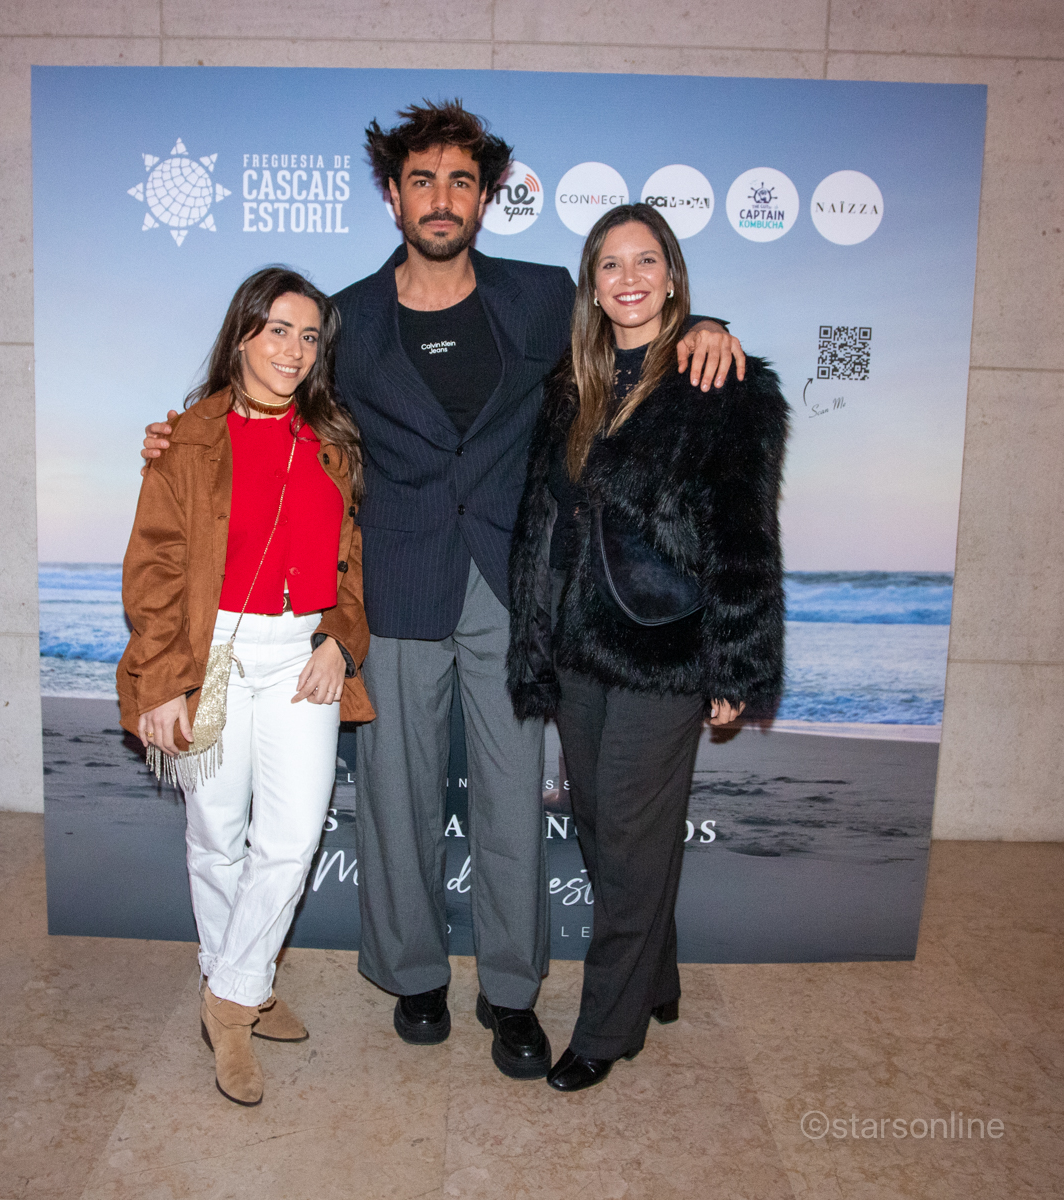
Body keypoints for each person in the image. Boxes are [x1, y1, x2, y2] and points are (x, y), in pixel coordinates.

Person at [141, 100, 745, 1081]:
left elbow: (634, 329)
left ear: (485, 196)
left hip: (511, 586)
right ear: (393, 196)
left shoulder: (542, 297)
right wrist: (182, 435)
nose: (440, 197)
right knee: (396, 800)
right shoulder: (345, 319)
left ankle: (510, 991)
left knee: (510, 802)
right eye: (421, 179)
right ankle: (413, 974)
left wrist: (708, 326)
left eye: (461, 180)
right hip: (394, 586)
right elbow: (273, 401)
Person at [507, 203, 787, 1092]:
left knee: (628, 838)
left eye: (646, 261)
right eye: (610, 264)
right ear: (592, 286)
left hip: (667, 650)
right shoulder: (571, 386)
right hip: (579, 645)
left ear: (672, 277)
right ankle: (655, 978)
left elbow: (744, 533)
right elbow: (548, 521)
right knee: (601, 827)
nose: (628, 279)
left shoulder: (723, 379)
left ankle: (608, 1028)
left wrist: (737, 661)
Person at [117, 267, 374, 1107]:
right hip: (215, 654)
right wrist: (164, 682)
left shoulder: (334, 441)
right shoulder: (188, 439)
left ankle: (228, 1000)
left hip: (301, 654)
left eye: (309, 336)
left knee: (291, 839)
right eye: (277, 331)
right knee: (217, 835)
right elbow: (155, 568)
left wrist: (339, 639)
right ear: (242, 336)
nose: (294, 351)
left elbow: (352, 561)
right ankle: (242, 985)